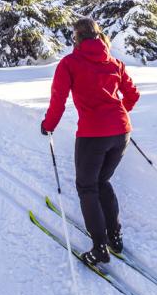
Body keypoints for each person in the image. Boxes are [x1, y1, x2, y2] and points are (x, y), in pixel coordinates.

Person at [41, 17, 140, 266]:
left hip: (93, 135)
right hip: (121, 133)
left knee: (87, 188)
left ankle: (99, 248)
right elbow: (132, 95)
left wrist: (48, 125)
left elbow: (58, 100)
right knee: (102, 181)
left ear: (77, 36)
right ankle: (114, 237)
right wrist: (117, 117)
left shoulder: (70, 63)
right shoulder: (114, 62)